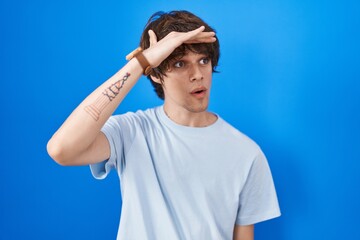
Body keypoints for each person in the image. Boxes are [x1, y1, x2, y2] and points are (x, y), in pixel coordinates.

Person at [47, 10, 281, 240]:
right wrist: (142, 62)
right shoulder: (131, 131)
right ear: (156, 74)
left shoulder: (247, 153)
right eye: (180, 64)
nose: (198, 74)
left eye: (203, 60)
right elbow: (62, 149)